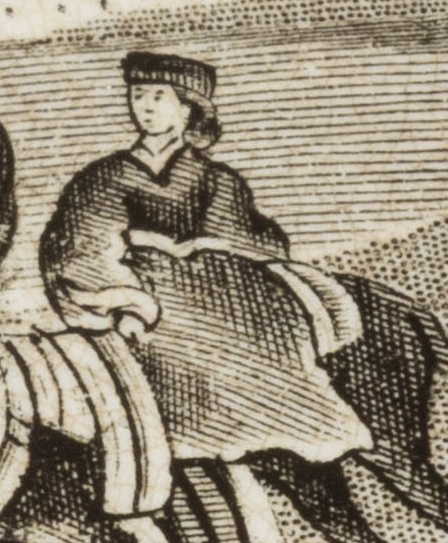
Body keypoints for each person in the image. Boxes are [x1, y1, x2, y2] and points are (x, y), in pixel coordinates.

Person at [34, 51, 362, 472]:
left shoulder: (216, 177)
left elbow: (249, 239)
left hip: (216, 295)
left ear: (188, 108)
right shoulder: (103, 176)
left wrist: (199, 249)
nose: (145, 106)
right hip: (144, 295)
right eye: (138, 95)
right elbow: (82, 242)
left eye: (159, 96)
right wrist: (128, 299)